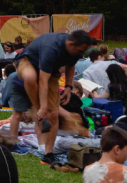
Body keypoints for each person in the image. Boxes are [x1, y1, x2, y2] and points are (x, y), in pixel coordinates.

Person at [15, 29, 93, 164]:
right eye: (80, 51)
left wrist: (68, 87)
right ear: (71, 44)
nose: (82, 54)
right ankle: (36, 108)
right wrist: (42, 107)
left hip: (50, 71)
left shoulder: (76, 50)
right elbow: (42, 81)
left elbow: (70, 66)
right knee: (30, 76)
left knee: (53, 114)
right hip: (27, 62)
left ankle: (48, 153)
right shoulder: (51, 48)